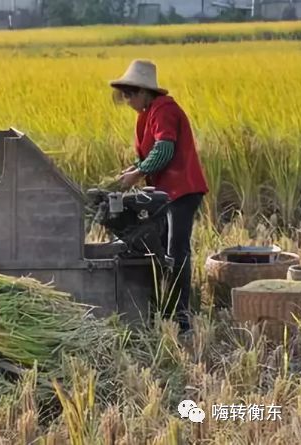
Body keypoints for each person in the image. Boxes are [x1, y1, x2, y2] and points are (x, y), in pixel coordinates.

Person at [110, 59, 209, 332]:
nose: (127, 100)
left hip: (182, 190)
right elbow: (149, 153)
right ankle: (164, 307)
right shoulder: (147, 114)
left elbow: (164, 152)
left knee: (176, 252)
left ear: (144, 91)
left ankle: (182, 317)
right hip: (166, 193)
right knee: (163, 250)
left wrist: (138, 173)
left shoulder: (164, 110)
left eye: (130, 94)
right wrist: (132, 170)